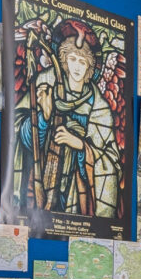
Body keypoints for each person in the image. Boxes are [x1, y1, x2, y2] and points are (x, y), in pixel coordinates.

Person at [9, 17, 121, 225]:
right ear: (63, 59)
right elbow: (20, 137)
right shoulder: (44, 83)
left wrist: (80, 145)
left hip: (77, 196)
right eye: (72, 58)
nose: (77, 66)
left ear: (90, 66)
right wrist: (44, 117)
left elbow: (111, 163)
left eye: (82, 61)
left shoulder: (99, 106)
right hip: (40, 189)